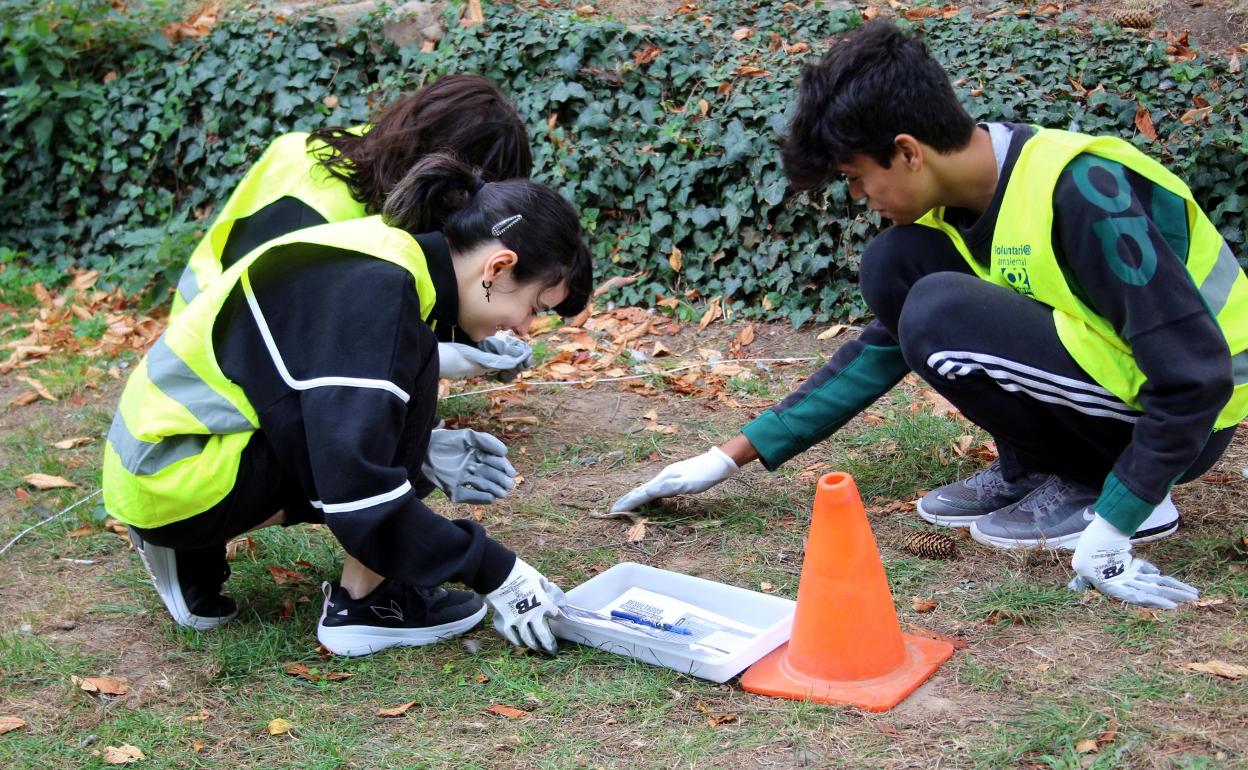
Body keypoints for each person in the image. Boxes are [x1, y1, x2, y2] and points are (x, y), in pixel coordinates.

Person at [613, 20, 1247, 609]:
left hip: (1185, 420)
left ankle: (1106, 486)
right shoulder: (954, 203)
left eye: (856, 177)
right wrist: (726, 458)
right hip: (1117, 386)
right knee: (895, 265)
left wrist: (1117, 522)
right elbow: (886, 344)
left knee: (938, 306)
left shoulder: (1085, 191)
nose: (859, 198)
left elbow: (1196, 377)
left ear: (909, 152)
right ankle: (1038, 467)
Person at [104, 154, 594, 656]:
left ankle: (191, 546)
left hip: (165, 460)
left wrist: (422, 447)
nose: (524, 327)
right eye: (534, 307)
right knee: (401, 416)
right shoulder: (380, 295)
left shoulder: (386, 254)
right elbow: (359, 493)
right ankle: (368, 607)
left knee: (407, 403)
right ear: (498, 266)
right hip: (175, 475)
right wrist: (500, 573)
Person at [173, 73, 537, 383]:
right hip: (208, 380)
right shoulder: (312, 204)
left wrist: (471, 337)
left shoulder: (385, 168)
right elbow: (286, 344)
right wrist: (429, 363)